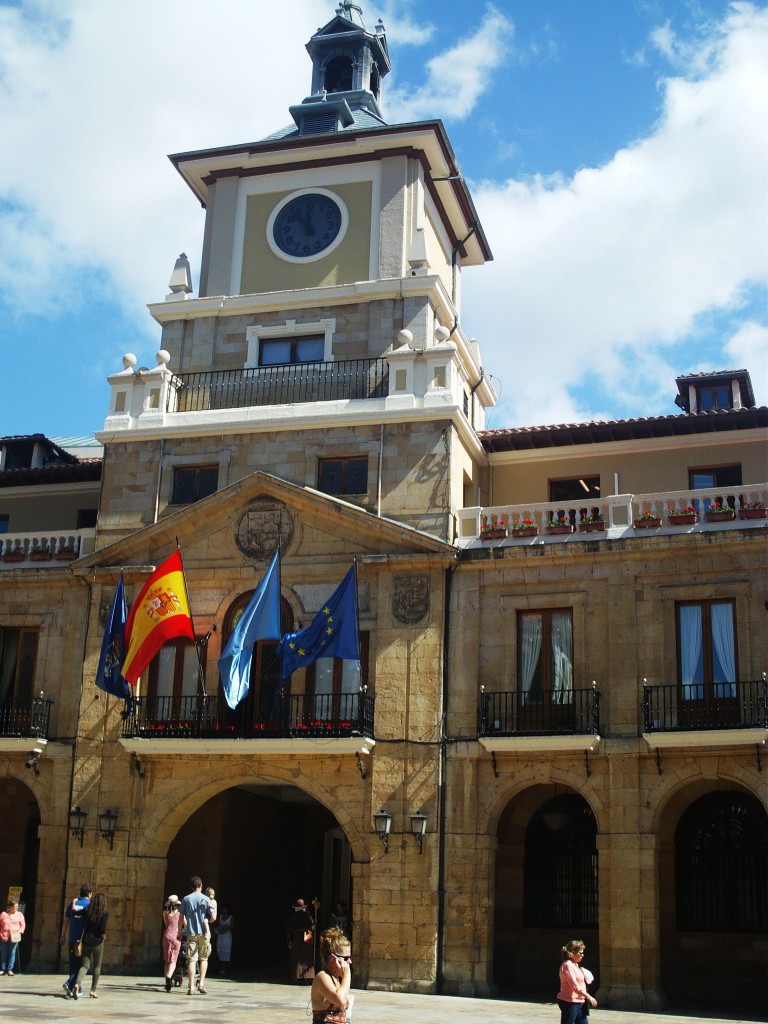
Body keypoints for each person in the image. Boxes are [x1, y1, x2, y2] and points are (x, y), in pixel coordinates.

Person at [310, 927, 352, 1023]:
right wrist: (347, 975)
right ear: (332, 958)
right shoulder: (322, 977)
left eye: (349, 957)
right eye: (345, 958)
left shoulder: (336, 979)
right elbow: (339, 1000)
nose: (349, 961)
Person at [178, 876, 211, 995]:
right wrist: (206, 921)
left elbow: (181, 917)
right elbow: (212, 917)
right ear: (201, 885)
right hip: (204, 933)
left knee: (191, 959)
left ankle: (191, 987)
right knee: (204, 958)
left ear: (191, 887)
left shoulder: (186, 899)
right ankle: (201, 984)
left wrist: (179, 931)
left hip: (191, 932)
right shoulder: (206, 899)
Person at [73, 892, 108, 999]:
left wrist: (74, 901)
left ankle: (77, 984)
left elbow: (75, 912)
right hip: (97, 942)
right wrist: (104, 936)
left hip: (86, 941)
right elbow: (102, 928)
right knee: (97, 965)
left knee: (84, 965)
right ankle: (93, 990)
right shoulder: (104, 913)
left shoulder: (88, 910)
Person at [59, 883, 92, 998]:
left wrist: (62, 935)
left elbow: (66, 921)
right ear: (89, 893)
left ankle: (76, 987)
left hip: (72, 938)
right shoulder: (89, 904)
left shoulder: (72, 903)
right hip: (83, 940)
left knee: (73, 963)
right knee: (82, 964)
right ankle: (70, 984)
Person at [557, 939, 597, 1024]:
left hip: (579, 1002)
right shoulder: (567, 965)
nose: (582, 955)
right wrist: (589, 997)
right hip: (570, 1002)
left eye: (583, 953)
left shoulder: (575, 965)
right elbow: (575, 987)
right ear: (572, 953)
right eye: (580, 953)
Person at [286, 898, 315, 983]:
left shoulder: (293, 916)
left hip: (297, 936)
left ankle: (296, 977)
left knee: (296, 956)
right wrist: (314, 923)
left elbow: (289, 929)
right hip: (306, 934)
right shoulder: (307, 915)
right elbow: (311, 925)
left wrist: (289, 940)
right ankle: (307, 977)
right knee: (306, 956)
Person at [0, 898, 25, 976]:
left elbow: (23, 925)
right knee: (3, 952)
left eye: (17, 906)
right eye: (15, 906)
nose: (16, 908)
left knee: (12, 952)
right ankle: (2, 969)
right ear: (10, 907)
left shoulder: (19, 915)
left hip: (14, 936)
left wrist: (20, 932)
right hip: (4, 936)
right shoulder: (3, 914)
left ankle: (10, 969)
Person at [161, 894, 182, 992]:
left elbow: (167, 924)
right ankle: (169, 977)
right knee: (173, 960)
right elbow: (185, 925)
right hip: (176, 937)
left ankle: (166, 980)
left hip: (167, 936)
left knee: (167, 959)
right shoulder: (180, 914)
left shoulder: (165, 913)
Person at [215, 903, 233, 974]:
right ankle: (221, 966)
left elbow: (231, 926)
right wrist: (218, 929)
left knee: (226, 950)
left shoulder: (230, 917)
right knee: (220, 949)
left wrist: (225, 928)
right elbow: (219, 925)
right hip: (221, 935)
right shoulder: (221, 916)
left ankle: (225, 967)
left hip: (227, 936)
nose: (223, 910)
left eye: (224, 909)